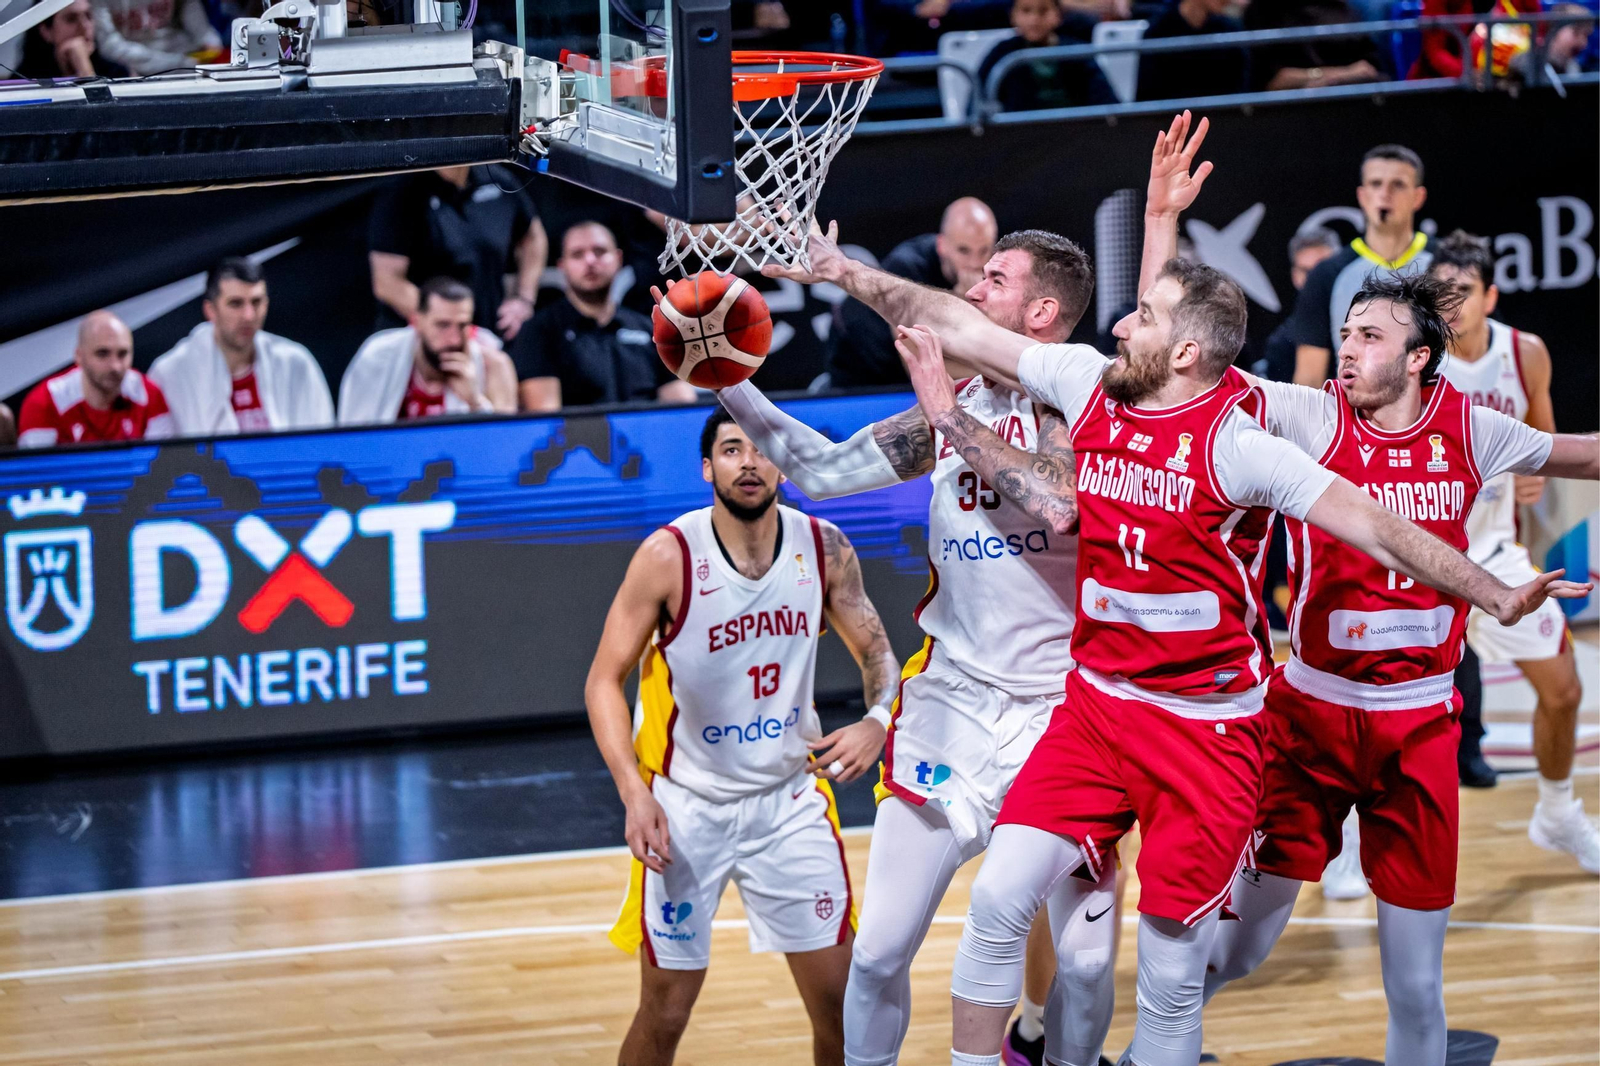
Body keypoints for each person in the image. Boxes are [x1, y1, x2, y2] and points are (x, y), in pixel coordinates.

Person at [766, 148, 1574, 1066]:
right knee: (995, 903)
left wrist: (1494, 591)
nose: (1119, 321)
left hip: (1206, 730)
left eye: (1140, 317)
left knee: (1174, 973)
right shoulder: (1088, 384)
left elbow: (1381, 528)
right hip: (1097, 709)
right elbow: (956, 319)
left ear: (1183, 352)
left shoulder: (1245, 443)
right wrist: (841, 271)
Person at [720, 223, 1117, 1066]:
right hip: (952, 705)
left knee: (1084, 967)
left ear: (1043, 312)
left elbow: (1061, 505)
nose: (971, 291)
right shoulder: (959, 406)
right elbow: (823, 471)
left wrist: (944, 411)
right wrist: (729, 381)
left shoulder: (1090, 398)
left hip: (1067, 714)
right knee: (877, 953)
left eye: (995, 280)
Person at [1201, 271, 1595, 1066]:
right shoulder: (1311, 414)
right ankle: (1152, 1047)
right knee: (1234, 953)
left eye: (1369, 336)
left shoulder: (1473, 429)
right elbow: (1194, 372)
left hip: (1419, 728)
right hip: (1310, 722)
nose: (1347, 348)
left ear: (1419, 357)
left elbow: (1584, 457)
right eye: (1345, 333)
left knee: (1417, 988)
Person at [587, 408, 900, 1066]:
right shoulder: (668, 557)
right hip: (686, 808)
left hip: (789, 804)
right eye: (732, 450)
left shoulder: (824, 548)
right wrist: (633, 795)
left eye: (761, 450)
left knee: (842, 1008)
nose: (750, 462)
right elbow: (603, 681)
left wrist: (877, 720)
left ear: (784, 466)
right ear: (708, 468)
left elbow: (878, 654)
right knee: (665, 1012)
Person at [1433, 230, 1597, 873]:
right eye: (1440, 292)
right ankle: (1352, 838)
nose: (1450, 304)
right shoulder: (1417, 355)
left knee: (1563, 690)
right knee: (1383, 712)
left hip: (1496, 551)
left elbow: (1544, 439)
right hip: (1423, 553)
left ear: (1491, 296)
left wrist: (1538, 476)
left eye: (1463, 292)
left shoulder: (1524, 353)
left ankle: (1556, 813)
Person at [1283, 144, 1432, 387]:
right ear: (1361, 195)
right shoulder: (1326, 274)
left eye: (1398, 184)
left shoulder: (1445, 266)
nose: (1385, 194)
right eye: (1376, 183)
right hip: (1354, 409)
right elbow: (1309, 379)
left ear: (1418, 197)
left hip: (1436, 408)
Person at [513, 222, 697, 412]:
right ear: (562, 266)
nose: (590, 261)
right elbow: (546, 415)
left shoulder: (649, 328)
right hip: (578, 431)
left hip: (647, 429)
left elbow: (681, 406)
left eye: (600, 251)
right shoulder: (539, 331)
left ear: (618, 259)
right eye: (577, 254)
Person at [827, 198, 998, 389]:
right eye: (964, 251)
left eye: (984, 250)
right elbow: (917, 364)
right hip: (860, 358)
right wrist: (998, 373)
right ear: (942, 245)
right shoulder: (907, 267)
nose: (975, 263)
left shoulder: (996, 267)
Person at [148, 258, 333, 435]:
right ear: (210, 310)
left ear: (267, 304)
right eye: (236, 304)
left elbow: (324, 443)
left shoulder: (296, 363)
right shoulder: (171, 374)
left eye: (256, 302)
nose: (248, 316)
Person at [368, 165, 548, 342]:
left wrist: (524, 299)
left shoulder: (497, 179)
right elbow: (387, 282)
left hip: (487, 331)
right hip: (423, 338)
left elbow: (533, 237)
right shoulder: (401, 190)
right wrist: (451, 327)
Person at [338, 277, 518, 424]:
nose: (454, 339)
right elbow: (352, 437)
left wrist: (475, 402)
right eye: (443, 325)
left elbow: (505, 444)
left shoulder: (492, 365)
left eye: (462, 325)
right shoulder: (378, 357)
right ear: (417, 321)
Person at [17, 310, 174, 447]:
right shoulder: (44, 404)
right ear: (79, 356)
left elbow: (162, 465)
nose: (115, 366)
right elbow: (36, 470)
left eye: (123, 354)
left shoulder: (149, 395)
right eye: (102, 354)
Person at [976, 0, 1117, 113]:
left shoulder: (1076, 52)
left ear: (1058, 15)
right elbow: (978, 102)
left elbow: (1106, 101)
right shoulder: (1002, 53)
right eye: (1026, 10)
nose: (1034, 19)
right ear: (1013, 15)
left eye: (1043, 11)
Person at [1253, 228, 1340, 383]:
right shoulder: (1281, 345)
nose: (1315, 280)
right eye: (1307, 271)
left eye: (1322, 270)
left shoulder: (1365, 323)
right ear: (1295, 276)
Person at [1243, 0, 1385, 91]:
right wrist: (1329, 76)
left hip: (1351, 93)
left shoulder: (1339, 8)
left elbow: (1367, 68)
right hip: (1293, 105)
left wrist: (1333, 80)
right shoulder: (1262, 11)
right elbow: (1276, 81)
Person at [1135, 0, 1250, 102]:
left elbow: (1239, 92)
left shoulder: (1230, 31)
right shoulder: (1158, 31)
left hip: (1221, 116)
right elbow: (1148, 95)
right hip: (1172, 117)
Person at [89, 0, 222, 75]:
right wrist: (178, 63)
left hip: (187, 61)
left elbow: (201, 30)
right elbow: (109, 45)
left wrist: (211, 45)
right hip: (135, 70)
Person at [18, 0, 127, 78]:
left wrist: (84, 67)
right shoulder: (24, 81)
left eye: (88, 16)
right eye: (71, 19)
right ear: (46, 31)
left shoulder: (118, 74)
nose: (85, 26)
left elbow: (101, 104)